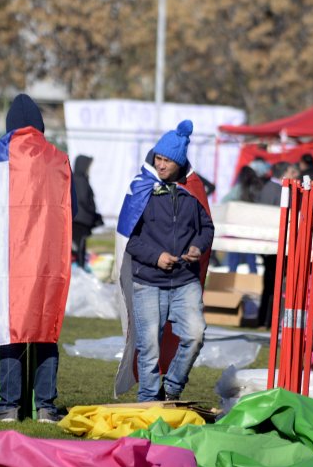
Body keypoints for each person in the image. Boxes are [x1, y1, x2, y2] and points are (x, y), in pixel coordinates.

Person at [0, 93, 75, 423]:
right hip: (49, 261)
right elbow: (72, 209)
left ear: (10, 126)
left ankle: (9, 405)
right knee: (44, 330)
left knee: (11, 327)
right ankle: (46, 407)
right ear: (39, 126)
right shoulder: (59, 160)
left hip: (9, 262)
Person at [115, 120, 214, 402]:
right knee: (149, 348)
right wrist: (156, 257)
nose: (160, 165)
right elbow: (128, 238)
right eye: (158, 158)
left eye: (167, 161)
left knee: (195, 335)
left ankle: (171, 389)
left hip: (185, 280)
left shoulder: (193, 191)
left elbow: (207, 228)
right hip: (147, 280)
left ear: (179, 162)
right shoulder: (141, 188)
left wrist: (197, 246)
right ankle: (148, 400)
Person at [256, 161, 300, 328]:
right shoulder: (275, 190)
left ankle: (267, 320)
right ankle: (268, 320)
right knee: (272, 285)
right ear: (284, 174)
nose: (295, 176)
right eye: (292, 172)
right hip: (274, 244)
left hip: (275, 244)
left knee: (272, 285)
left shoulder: (274, 189)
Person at [221, 165, 263, 274]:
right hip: (252, 225)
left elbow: (224, 201)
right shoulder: (258, 188)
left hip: (238, 224)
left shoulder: (238, 188)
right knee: (251, 254)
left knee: (234, 253)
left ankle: (231, 277)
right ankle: (253, 279)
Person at [72, 155, 103, 269]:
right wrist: (92, 214)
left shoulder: (74, 179)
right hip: (80, 221)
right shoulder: (80, 181)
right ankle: (79, 269)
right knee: (79, 248)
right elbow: (84, 200)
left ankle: (78, 269)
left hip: (76, 220)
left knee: (75, 248)